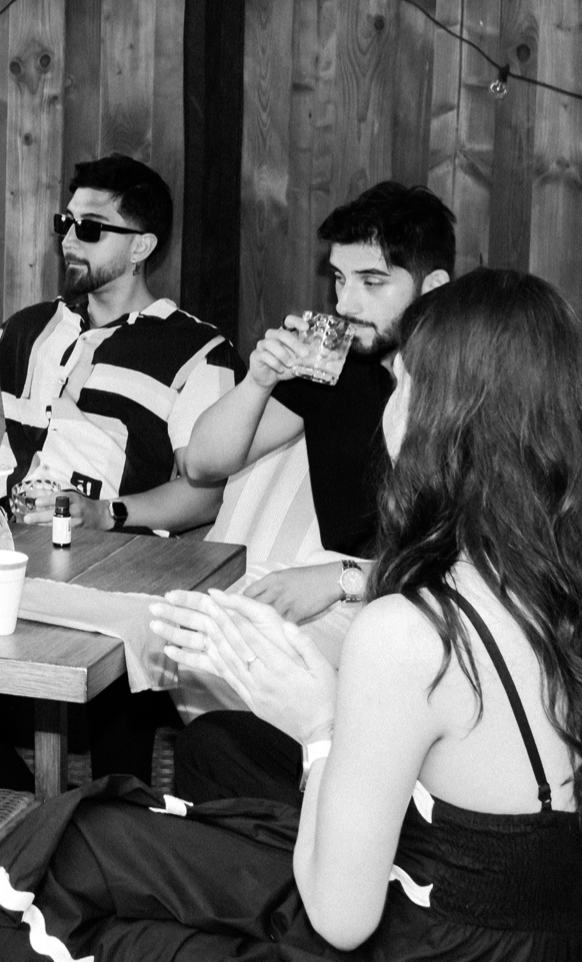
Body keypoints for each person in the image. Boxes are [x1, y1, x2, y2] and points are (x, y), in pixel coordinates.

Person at [0, 268, 582, 962]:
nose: (388, 401)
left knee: (59, 876)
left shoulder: (411, 633)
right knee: (108, 824)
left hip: (416, 938)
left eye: (402, 383)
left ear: (446, 422)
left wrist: (318, 726)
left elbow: (341, 919)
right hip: (522, 932)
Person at [173, 183, 454, 797]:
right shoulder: (338, 366)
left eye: (372, 282)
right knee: (197, 646)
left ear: (433, 288)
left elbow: (472, 565)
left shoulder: (469, 382)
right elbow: (204, 463)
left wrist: (338, 578)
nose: (346, 303)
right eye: (339, 280)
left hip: (432, 610)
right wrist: (259, 379)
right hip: (353, 598)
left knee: (248, 671)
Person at [0, 153, 235, 537]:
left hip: (107, 552)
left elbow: (208, 495)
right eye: (65, 223)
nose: (69, 240)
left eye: (89, 228)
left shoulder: (199, 351)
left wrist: (103, 513)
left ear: (140, 247)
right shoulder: (34, 326)